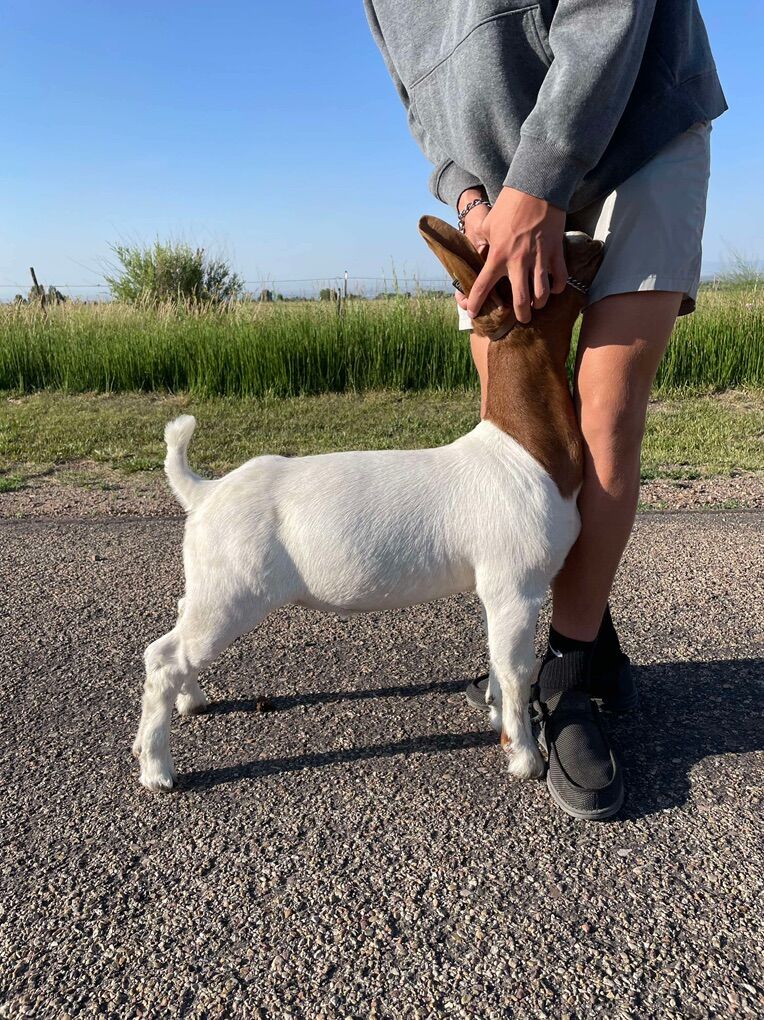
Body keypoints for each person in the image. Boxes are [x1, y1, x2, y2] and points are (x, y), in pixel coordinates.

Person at [364, 0, 727, 819]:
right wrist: (469, 199)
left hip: (638, 123)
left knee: (602, 423)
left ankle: (566, 677)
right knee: (519, 447)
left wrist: (542, 176)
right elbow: (422, 98)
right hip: (498, 194)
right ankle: (587, 628)